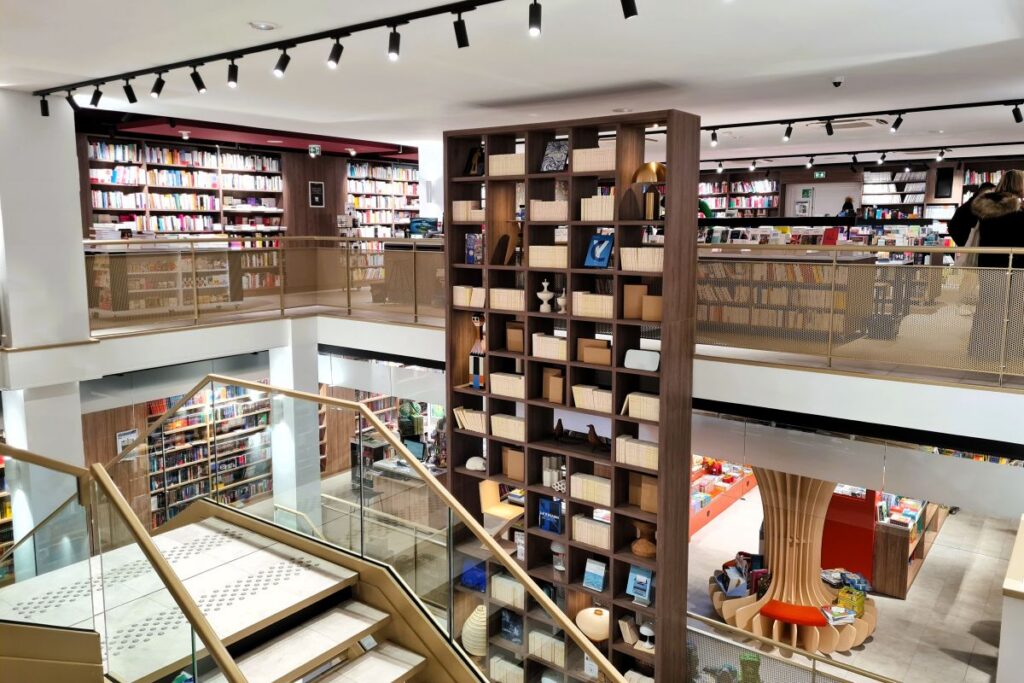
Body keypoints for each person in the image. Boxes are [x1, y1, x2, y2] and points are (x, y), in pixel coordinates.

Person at [971, 171, 1024, 268]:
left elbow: (955, 225)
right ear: (1019, 185)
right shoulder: (1017, 212)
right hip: (1015, 267)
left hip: (988, 265)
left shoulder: (985, 204)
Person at [948, 181, 996, 247]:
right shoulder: (977, 206)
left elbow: (952, 226)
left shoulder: (968, 205)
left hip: (972, 245)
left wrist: (964, 244)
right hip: (976, 245)